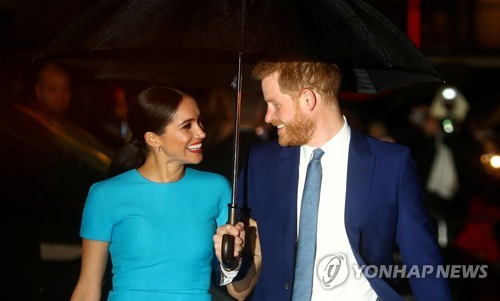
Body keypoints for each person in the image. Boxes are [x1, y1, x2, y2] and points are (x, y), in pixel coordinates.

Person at [215, 61, 452, 300]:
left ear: (308, 99)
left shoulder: (391, 164)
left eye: (275, 104)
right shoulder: (261, 162)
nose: (268, 116)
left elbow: (423, 261)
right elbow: (245, 263)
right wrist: (231, 258)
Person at [70, 86, 253, 301]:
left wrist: (243, 256)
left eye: (199, 121)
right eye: (187, 126)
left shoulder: (216, 188)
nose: (201, 132)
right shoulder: (105, 194)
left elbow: (239, 292)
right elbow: (87, 288)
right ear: (153, 139)